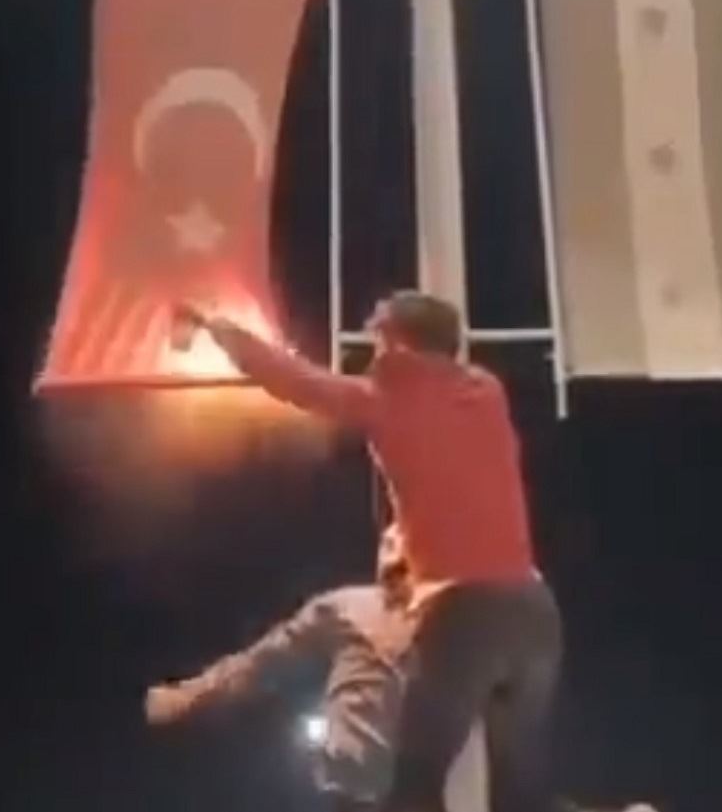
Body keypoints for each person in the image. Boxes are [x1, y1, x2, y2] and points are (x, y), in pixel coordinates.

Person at [178, 290, 563, 812]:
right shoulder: (487, 391)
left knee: (413, 790)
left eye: (378, 337)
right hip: (535, 615)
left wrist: (218, 327)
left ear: (396, 341)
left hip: (466, 617)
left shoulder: (382, 399)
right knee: (520, 796)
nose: (371, 348)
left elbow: (295, 381)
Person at [144, 526, 487, 812]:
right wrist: (188, 694)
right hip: (358, 796)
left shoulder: (463, 624)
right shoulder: (348, 609)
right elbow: (263, 661)